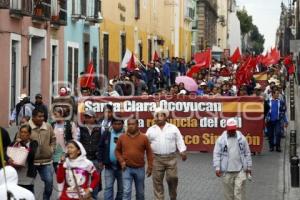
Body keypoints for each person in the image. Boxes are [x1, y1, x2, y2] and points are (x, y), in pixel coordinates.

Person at [146, 108, 187, 200]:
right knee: (157, 182)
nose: (158, 118)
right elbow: (145, 143)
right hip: (156, 159)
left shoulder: (173, 128)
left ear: (165, 117)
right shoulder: (150, 130)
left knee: (173, 178)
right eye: (156, 116)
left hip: (171, 158)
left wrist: (182, 151)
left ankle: (173, 197)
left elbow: (179, 139)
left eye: (161, 115)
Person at [20, 108, 56, 200]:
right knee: (29, 184)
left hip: (46, 161)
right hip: (31, 162)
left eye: (43, 116)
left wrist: (51, 149)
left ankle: (45, 198)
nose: (42, 118)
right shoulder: (26, 126)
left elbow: (53, 139)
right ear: (33, 117)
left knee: (49, 182)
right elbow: (19, 140)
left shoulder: (48, 126)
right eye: (39, 116)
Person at [213, 118, 252, 200]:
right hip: (226, 172)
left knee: (239, 194)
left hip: (240, 170)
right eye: (230, 129)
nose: (231, 131)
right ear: (227, 128)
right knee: (228, 196)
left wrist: (249, 167)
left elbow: (247, 153)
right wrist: (217, 167)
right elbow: (216, 154)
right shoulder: (221, 140)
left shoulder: (242, 139)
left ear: (236, 128)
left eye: (233, 129)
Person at [115, 118, 153, 200]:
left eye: (133, 124)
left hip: (140, 169)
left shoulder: (144, 137)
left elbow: (149, 152)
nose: (130, 126)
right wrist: (121, 161)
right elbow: (117, 151)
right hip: (126, 169)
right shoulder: (122, 137)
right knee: (126, 191)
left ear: (137, 125)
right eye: (129, 124)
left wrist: (150, 167)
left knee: (140, 193)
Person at [98, 117, 125, 200]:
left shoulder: (126, 134)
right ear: (112, 124)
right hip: (109, 166)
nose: (117, 126)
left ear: (122, 125)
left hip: (122, 167)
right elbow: (100, 147)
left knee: (121, 189)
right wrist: (100, 161)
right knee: (108, 187)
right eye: (115, 124)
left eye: (119, 124)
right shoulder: (106, 133)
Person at [78, 110, 101, 199]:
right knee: (82, 179)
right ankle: (84, 197)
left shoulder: (100, 128)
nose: (87, 119)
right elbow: (77, 142)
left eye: (89, 117)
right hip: (84, 159)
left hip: (96, 158)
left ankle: (94, 197)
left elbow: (102, 143)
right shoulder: (80, 127)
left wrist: (100, 158)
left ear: (94, 118)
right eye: (86, 117)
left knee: (96, 179)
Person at [10, 124, 38, 193]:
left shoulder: (33, 143)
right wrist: (9, 159)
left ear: (29, 134)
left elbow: (31, 154)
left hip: (27, 176)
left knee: (28, 194)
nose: (22, 134)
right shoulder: (15, 143)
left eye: (25, 132)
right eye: (21, 132)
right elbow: (6, 152)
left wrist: (22, 144)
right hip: (16, 175)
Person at [52, 107, 78, 171]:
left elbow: (75, 139)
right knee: (59, 175)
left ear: (62, 114)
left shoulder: (70, 124)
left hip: (68, 154)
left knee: (68, 175)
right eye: (53, 114)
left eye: (56, 114)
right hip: (56, 155)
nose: (54, 116)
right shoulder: (52, 125)